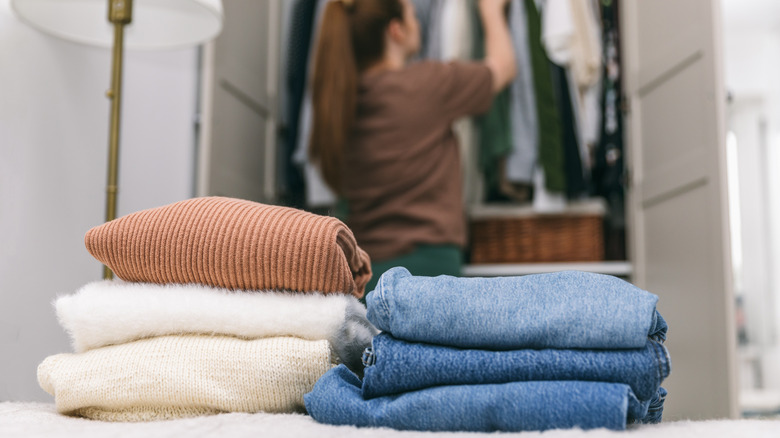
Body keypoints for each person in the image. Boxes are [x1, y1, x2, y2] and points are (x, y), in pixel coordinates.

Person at [310, 0, 516, 294]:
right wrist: (491, 11)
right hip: (430, 275)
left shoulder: (338, 102)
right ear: (396, 31)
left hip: (363, 279)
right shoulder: (429, 84)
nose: (418, 22)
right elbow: (503, 67)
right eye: (412, 15)